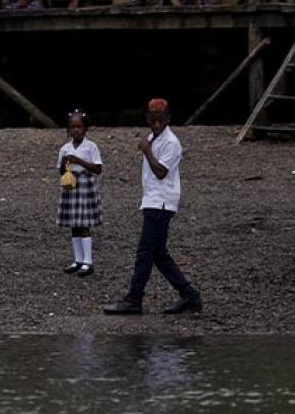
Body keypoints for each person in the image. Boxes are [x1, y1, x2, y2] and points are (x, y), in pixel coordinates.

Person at [103, 99, 203, 315]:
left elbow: (161, 172)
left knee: (145, 252)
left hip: (162, 202)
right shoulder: (153, 138)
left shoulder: (171, 143)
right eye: (153, 120)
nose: (156, 124)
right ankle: (188, 294)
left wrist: (147, 151)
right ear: (148, 118)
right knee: (158, 253)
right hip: (153, 201)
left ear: (168, 119)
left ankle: (134, 298)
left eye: (160, 120)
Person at [56, 111, 103, 276]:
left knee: (83, 224)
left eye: (79, 127)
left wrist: (79, 161)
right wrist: (63, 163)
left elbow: (98, 169)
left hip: (85, 184)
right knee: (74, 225)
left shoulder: (91, 147)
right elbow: (61, 172)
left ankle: (88, 262)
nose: (75, 130)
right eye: (72, 127)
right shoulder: (65, 148)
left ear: (85, 129)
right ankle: (78, 259)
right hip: (70, 185)